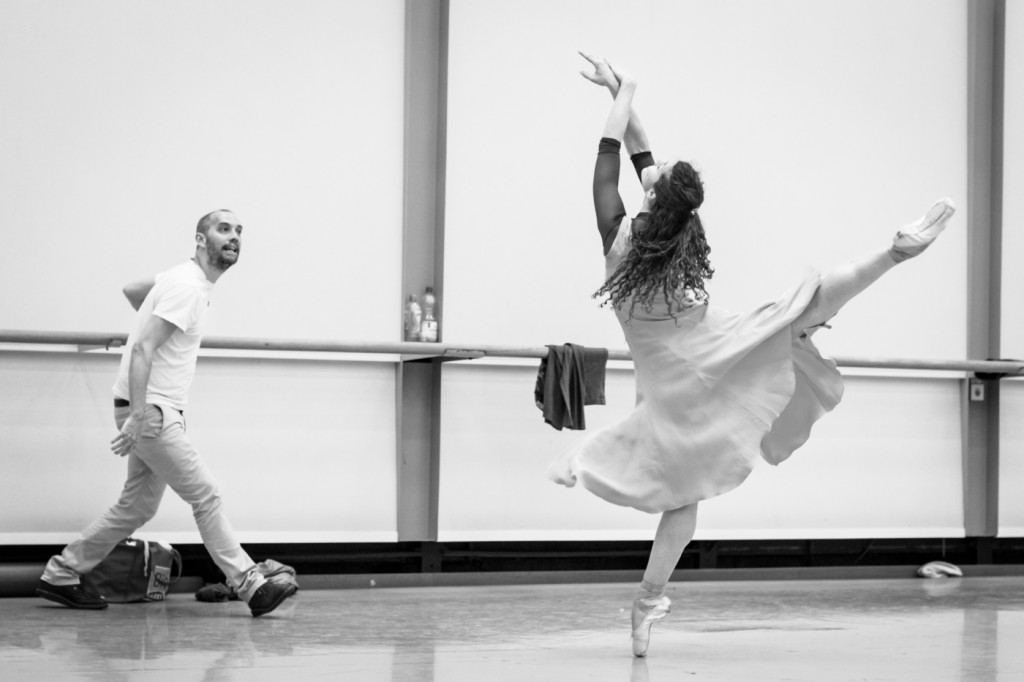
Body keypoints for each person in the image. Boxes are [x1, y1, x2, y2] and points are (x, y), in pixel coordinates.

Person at [548, 54, 956, 657]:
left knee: (683, 495)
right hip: (715, 345)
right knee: (802, 310)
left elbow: (611, 153)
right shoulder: (685, 235)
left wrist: (624, 90)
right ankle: (892, 254)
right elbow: (638, 153)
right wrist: (625, 95)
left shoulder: (620, 242)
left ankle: (644, 605)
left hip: (670, 379)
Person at [36, 209, 296, 617]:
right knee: (206, 494)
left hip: (149, 408)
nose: (234, 237)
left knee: (136, 507)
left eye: (239, 231)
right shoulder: (188, 288)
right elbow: (143, 348)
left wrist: (151, 308)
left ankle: (62, 573)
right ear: (200, 239)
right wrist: (139, 416)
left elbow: (131, 290)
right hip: (153, 412)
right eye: (223, 229)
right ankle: (250, 584)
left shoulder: (181, 281)